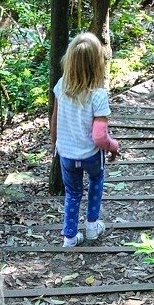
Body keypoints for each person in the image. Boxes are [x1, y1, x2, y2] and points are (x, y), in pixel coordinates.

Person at [51, 32, 120, 247]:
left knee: (72, 193)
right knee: (96, 182)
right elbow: (99, 136)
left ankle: (69, 236)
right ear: (97, 63)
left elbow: (54, 121)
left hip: (67, 154)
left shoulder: (62, 86)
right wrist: (113, 147)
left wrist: (56, 144)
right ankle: (91, 227)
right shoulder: (98, 95)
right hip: (91, 155)